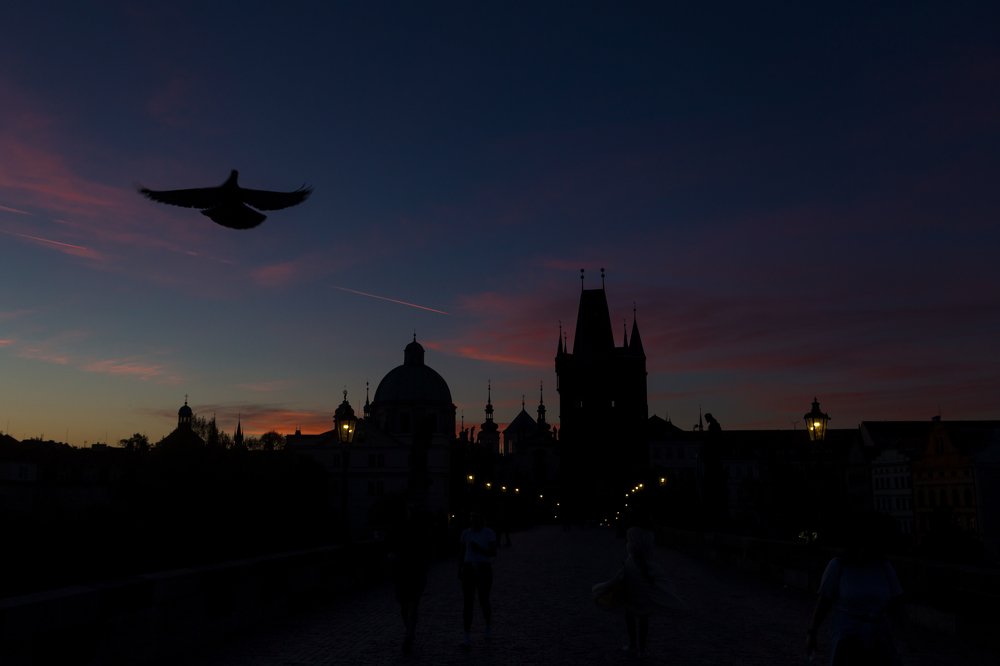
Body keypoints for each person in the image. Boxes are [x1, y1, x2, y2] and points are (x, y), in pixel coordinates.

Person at [806, 514, 903, 665]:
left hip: (879, 634)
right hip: (847, 636)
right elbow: (824, 602)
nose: (863, 551)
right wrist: (812, 632)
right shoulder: (838, 566)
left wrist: (904, 635)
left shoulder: (883, 566)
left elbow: (896, 603)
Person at [620, 512, 685, 658]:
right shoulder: (650, 533)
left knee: (629, 610)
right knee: (644, 613)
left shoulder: (632, 532)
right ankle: (642, 648)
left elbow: (637, 555)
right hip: (649, 568)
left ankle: (633, 644)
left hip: (634, 570)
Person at [385, 498, 432, 655]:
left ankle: (409, 634)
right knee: (405, 607)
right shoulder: (398, 528)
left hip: (414, 572)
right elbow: (390, 548)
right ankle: (410, 630)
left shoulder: (419, 529)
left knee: (412, 605)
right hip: (402, 573)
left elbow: (425, 550)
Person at [458, 510, 497, 647]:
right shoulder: (465, 533)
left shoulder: (489, 533)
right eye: (471, 518)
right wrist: (459, 568)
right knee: (468, 602)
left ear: (482, 519)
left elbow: (493, 552)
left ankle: (487, 626)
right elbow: (461, 552)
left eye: (476, 518)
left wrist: (479, 549)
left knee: (483, 599)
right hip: (468, 569)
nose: (473, 521)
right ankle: (467, 634)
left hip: (483, 568)